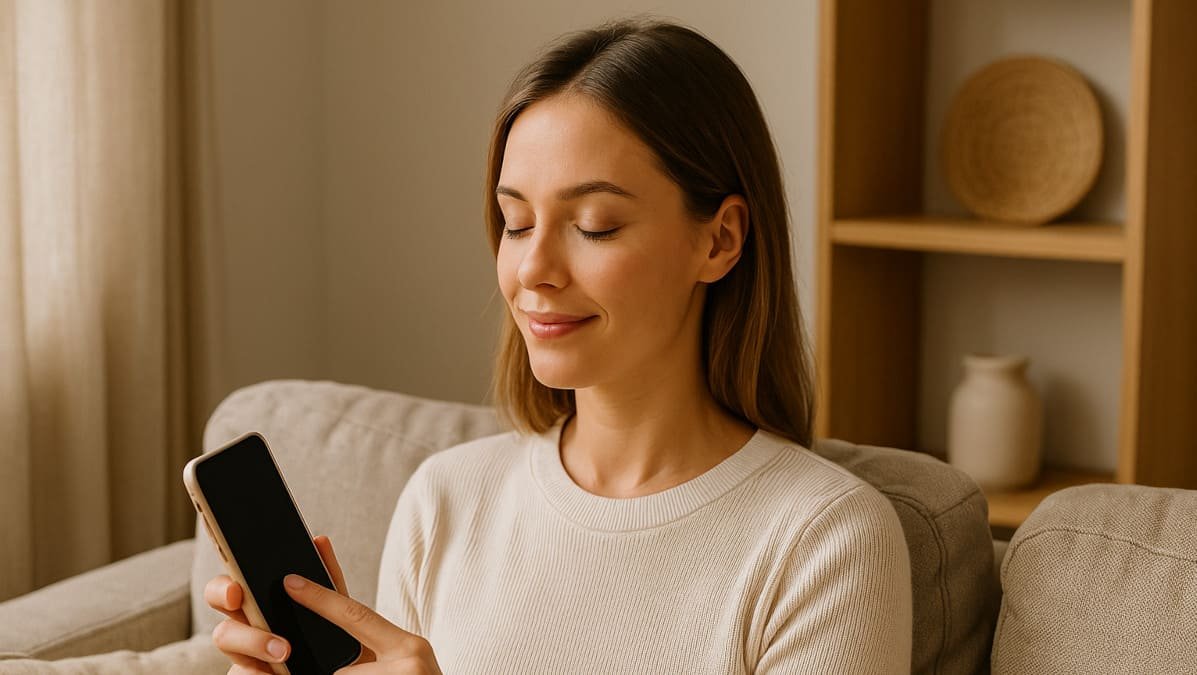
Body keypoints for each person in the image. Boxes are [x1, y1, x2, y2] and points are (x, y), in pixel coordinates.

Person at [205, 17, 912, 674]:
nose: (533, 270)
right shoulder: (443, 501)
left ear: (719, 239)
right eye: (515, 222)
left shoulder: (825, 541)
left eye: (595, 225)